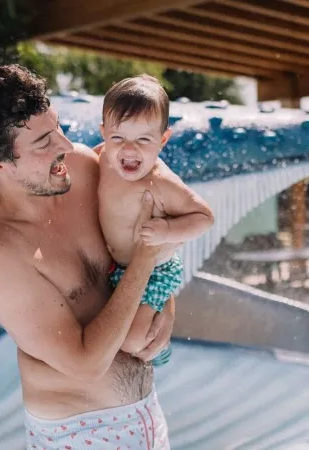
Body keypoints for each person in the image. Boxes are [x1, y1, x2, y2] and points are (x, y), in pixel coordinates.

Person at [0, 64, 176, 449]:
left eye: (58, 128)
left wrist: (166, 303)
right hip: (81, 435)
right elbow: (85, 364)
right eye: (43, 143)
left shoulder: (84, 169)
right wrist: (147, 261)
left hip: (147, 415)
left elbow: (153, 224)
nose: (65, 147)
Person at [97, 75, 214, 364]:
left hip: (156, 271)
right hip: (119, 268)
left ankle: (162, 354)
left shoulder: (160, 183)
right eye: (118, 138)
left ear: (163, 140)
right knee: (114, 332)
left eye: (143, 140)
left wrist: (167, 230)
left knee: (134, 340)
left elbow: (204, 217)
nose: (129, 149)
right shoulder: (103, 160)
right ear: (103, 134)